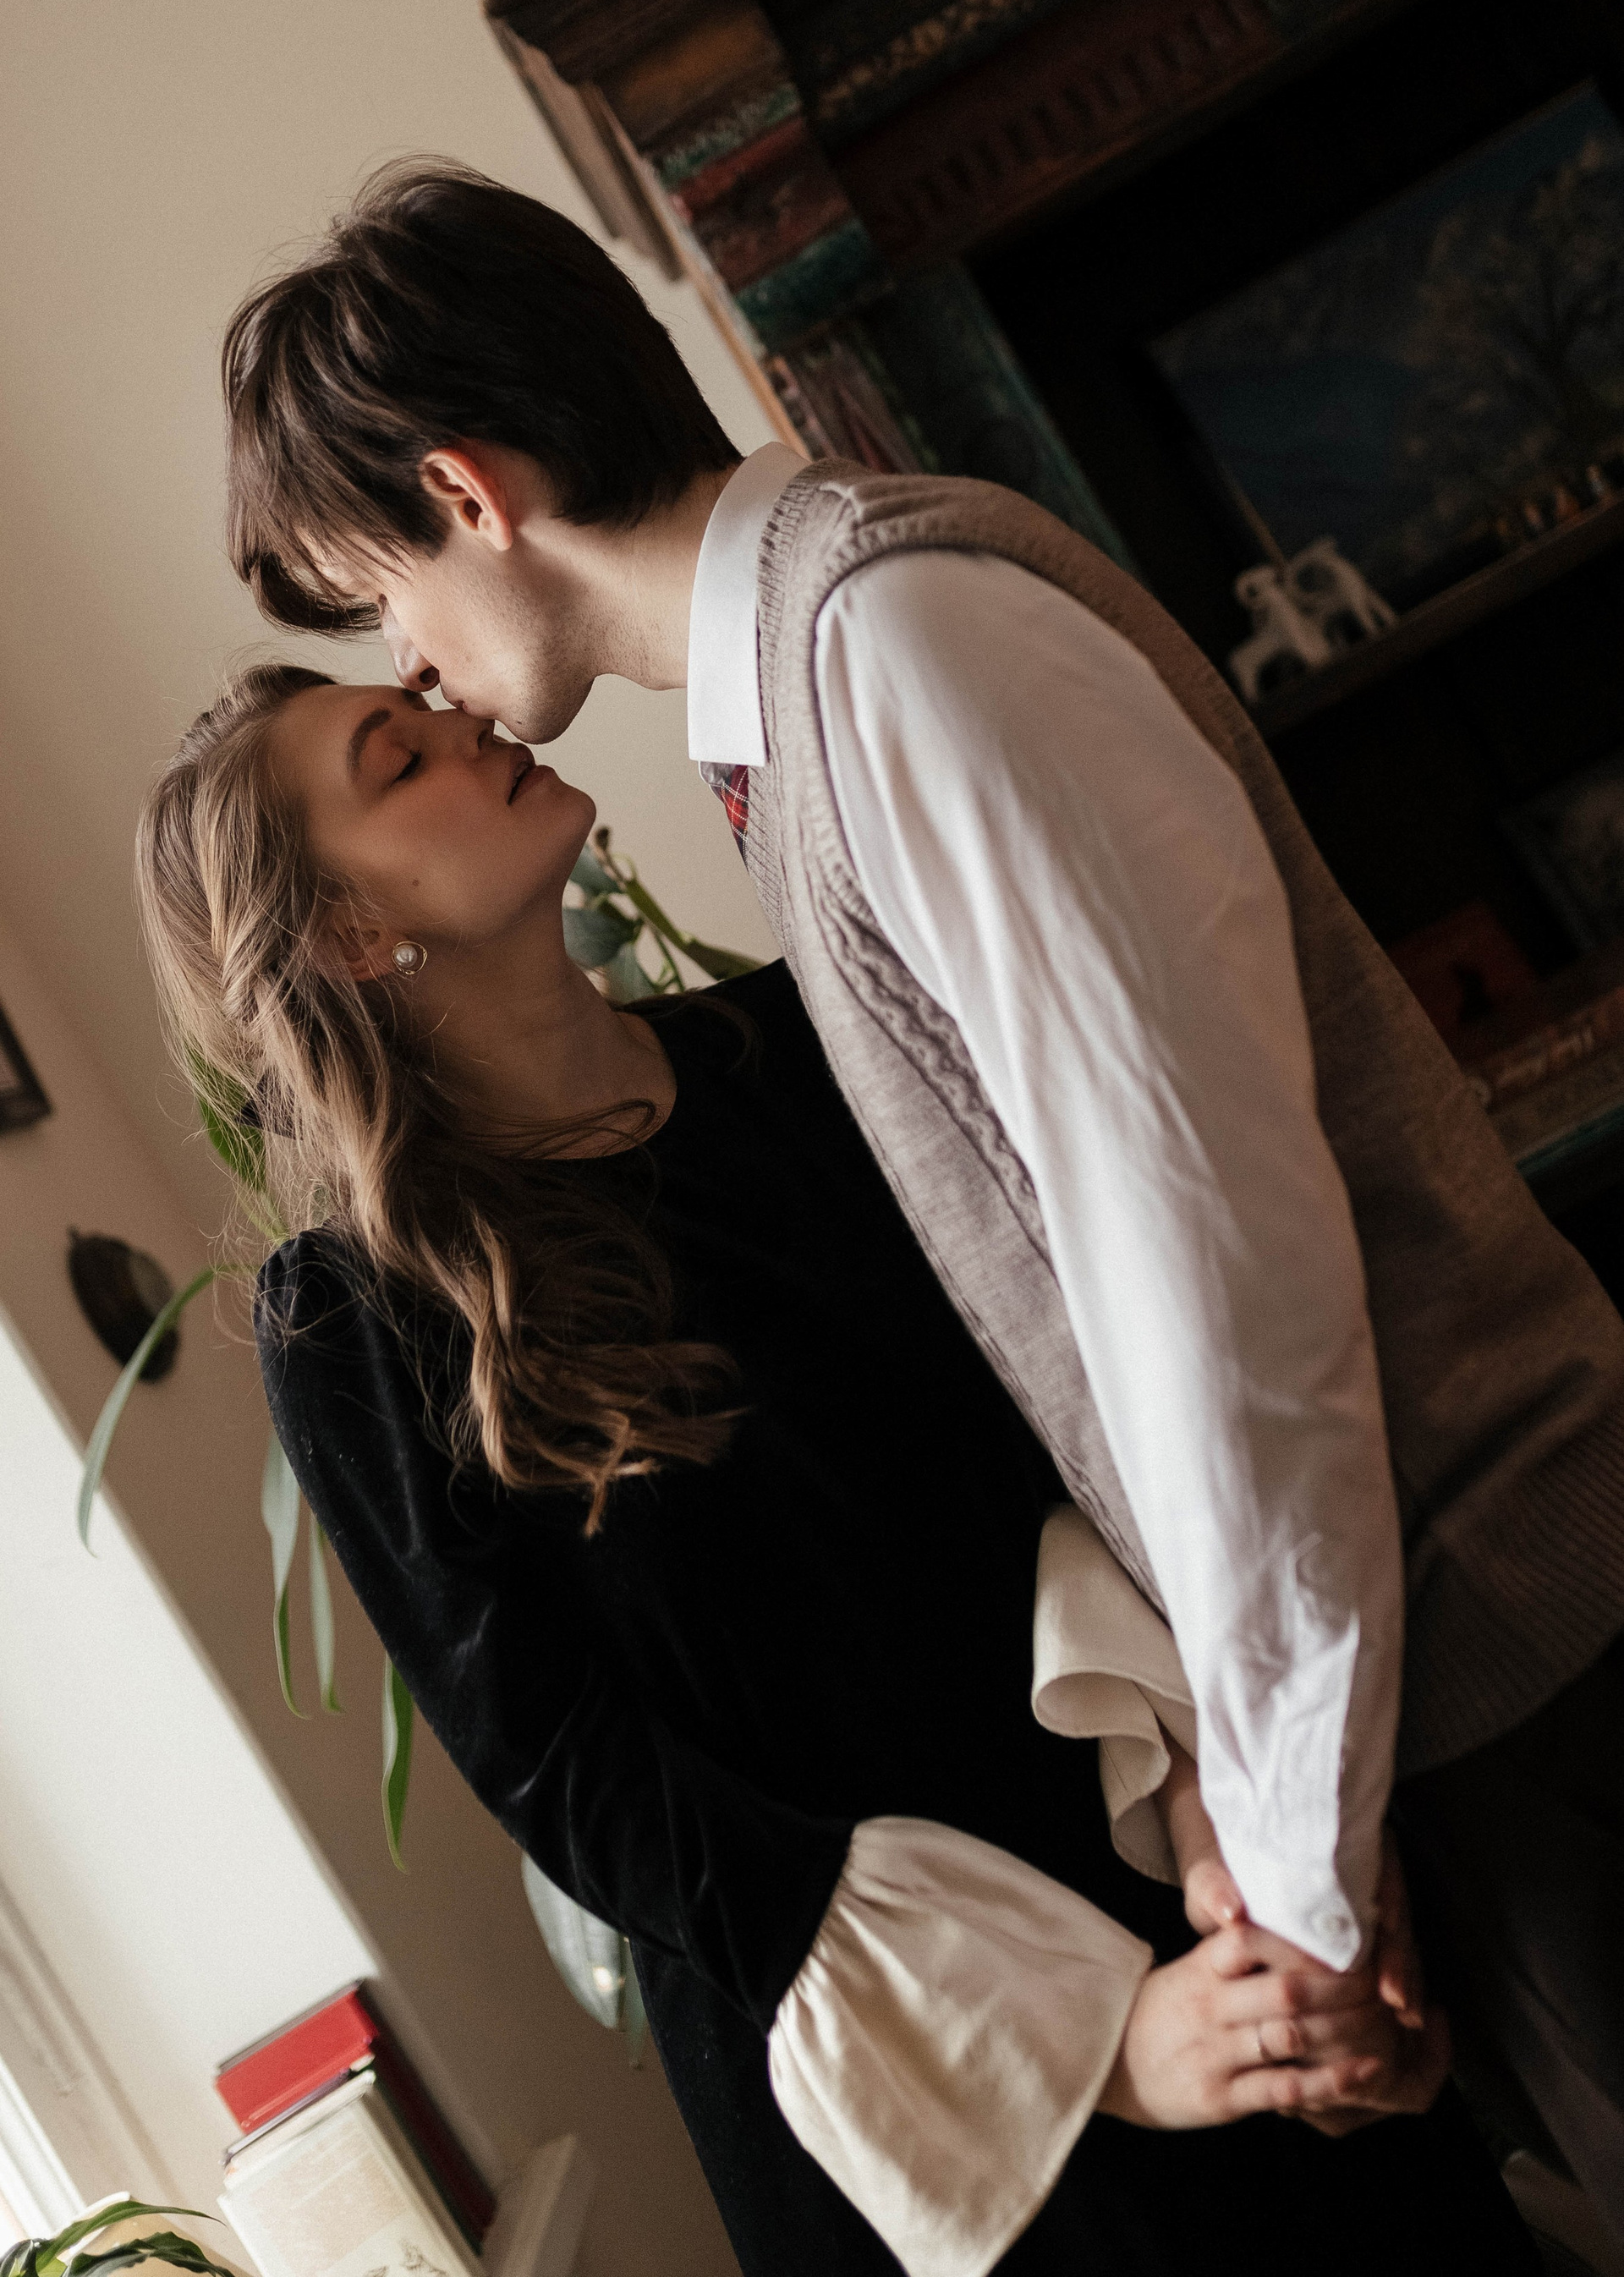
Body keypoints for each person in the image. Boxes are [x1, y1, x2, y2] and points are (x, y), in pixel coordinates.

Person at [217, 162, 1624, 2225]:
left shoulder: (892, 649)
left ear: (463, 492)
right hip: (1412, 1699)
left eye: (374, 597)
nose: (413, 667)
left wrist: (1298, 1866)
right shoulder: (816, 689)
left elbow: (1213, 1294)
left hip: (1511, 1652)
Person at [134, 661, 1528, 2277]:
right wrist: (1090, 2041)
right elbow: (586, 1787)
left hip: (1175, 1872)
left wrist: (1226, 1822)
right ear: (346, 937)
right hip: (917, 2070)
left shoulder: (809, 1043)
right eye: (401, 760)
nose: (473, 724)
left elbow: (1073, 1434)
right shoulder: (356, 1321)